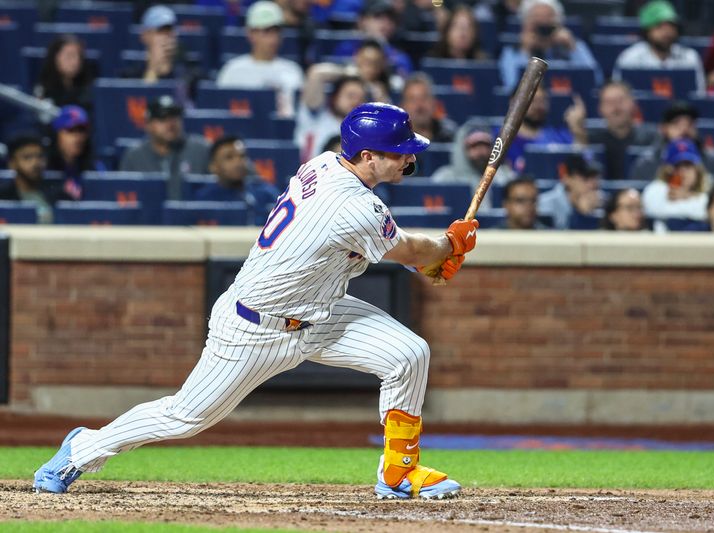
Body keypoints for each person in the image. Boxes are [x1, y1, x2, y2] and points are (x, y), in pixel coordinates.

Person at [33, 102, 477, 501]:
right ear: (367, 157)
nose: (410, 158)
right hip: (256, 328)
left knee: (408, 354)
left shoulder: (326, 164)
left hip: (319, 311)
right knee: (185, 417)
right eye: (399, 152)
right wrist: (449, 245)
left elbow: (374, 247)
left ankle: (399, 472)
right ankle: (84, 447)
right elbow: (409, 250)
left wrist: (432, 258)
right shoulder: (354, 206)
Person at [216, 1, 305, 118]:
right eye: (267, 31)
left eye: (277, 31)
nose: (273, 38)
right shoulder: (232, 70)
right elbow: (220, 111)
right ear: (250, 33)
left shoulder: (293, 70)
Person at [119, 95, 210, 200]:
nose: (170, 124)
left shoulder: (201, 150)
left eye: (175, 117)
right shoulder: (134, 156)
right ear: (148, 125)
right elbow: (126, 196)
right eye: (162, 119)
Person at [499, 0, 602, 91]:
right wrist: (525, 51)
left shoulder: (575, 47)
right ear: (525, 24)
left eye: (548, 20)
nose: (543, 27)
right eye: (537, 22)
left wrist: (572, 48)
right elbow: (511, 85)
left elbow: (596, 80)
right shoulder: (512, 52)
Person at [613, 0, 706, 94]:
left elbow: (699, 96)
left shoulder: (690, 57)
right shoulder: (629, 58)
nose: (666, 32)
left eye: (671, 26)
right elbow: (618, 95)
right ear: (647, 30)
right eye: (659, 26)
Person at [628, 101, 714, 182]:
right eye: (676, 124)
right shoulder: (647, 163)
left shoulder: (713, 160)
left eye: (689, 124)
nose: (684, 130)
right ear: (664, 128)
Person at [194, 136, 281, 225]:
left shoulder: (266, 193)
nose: (238, 162)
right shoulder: (203, 200)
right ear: (213, 166)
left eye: (242, 156)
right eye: (229, 157)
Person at [121, 5, 202, 101]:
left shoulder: (191, 76)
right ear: (145, 35)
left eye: (170, 31)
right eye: (161, 31)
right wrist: (153, 70)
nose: (167, 36)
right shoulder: (129, 77)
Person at [431, 124, 516, 211]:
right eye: (474, 146)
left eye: (485, 145)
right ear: (462, 149)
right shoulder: (444, 178)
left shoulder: (506, 176)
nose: (481, 151)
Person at [585, 81, 658, 180]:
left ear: (633, 103)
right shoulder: (590, 140)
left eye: (620, 101)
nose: (616, 108)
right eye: (609, 102)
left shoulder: (652, 138)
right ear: (600, 108)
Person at [504, 86, 587, 173]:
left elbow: (584, 162)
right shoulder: (502, 138)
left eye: (542, 101)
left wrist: (577, 129)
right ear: (513, 102)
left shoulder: (559, 137)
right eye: (532, 100)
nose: (538, 106)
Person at [329, 0, 413, 77]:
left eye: (391, 19)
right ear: (362, 21)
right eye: (378, 16)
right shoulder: (345, 49)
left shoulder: (400, 58)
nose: (386, 23)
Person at [295, 75, 368, 163]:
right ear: (335, 97)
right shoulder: (315, 116)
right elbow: (316, 74)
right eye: (350, 96)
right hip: (308, 172)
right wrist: (350, 72)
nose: (356, 102)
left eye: (361, 99)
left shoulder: (364, 131)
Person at [0, 135, 70, 224]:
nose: (35, 163)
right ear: (12, 163)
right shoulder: (3, 198)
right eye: (27, 157)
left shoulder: (60, 196)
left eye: (40, 157)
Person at [641, 138, 710, 227]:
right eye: (677, 166)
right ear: (667, 170)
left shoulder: (707, 193)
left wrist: (688, 196)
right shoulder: (656, 189)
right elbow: (652, 209)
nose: (683, 171)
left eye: (688, 165)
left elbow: (709, 213)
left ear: (697, 170)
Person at [46, 105, 105, 201]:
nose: (78, 137)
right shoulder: (45, 169)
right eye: (70, 130)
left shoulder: (95, 168)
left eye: (81, 130)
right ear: (56, 134)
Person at [538, 152, 603, 230]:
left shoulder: (604, 203)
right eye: (585, 178)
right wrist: (582, 215)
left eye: (595, 178)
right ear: (567, 178)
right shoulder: (543, 206)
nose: (592, 184)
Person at [34, 34, 95, 111]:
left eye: (79, 56)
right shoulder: (43, 89)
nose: (75, 62)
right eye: (69, 56)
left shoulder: (88, 90)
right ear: (55, 58)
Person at [400, 72, 457, 144]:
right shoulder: (396, 140)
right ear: (403, 106)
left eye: (424, 98)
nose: (419, 105)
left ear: (434, 103)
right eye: (412, 100)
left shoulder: (450, 136)